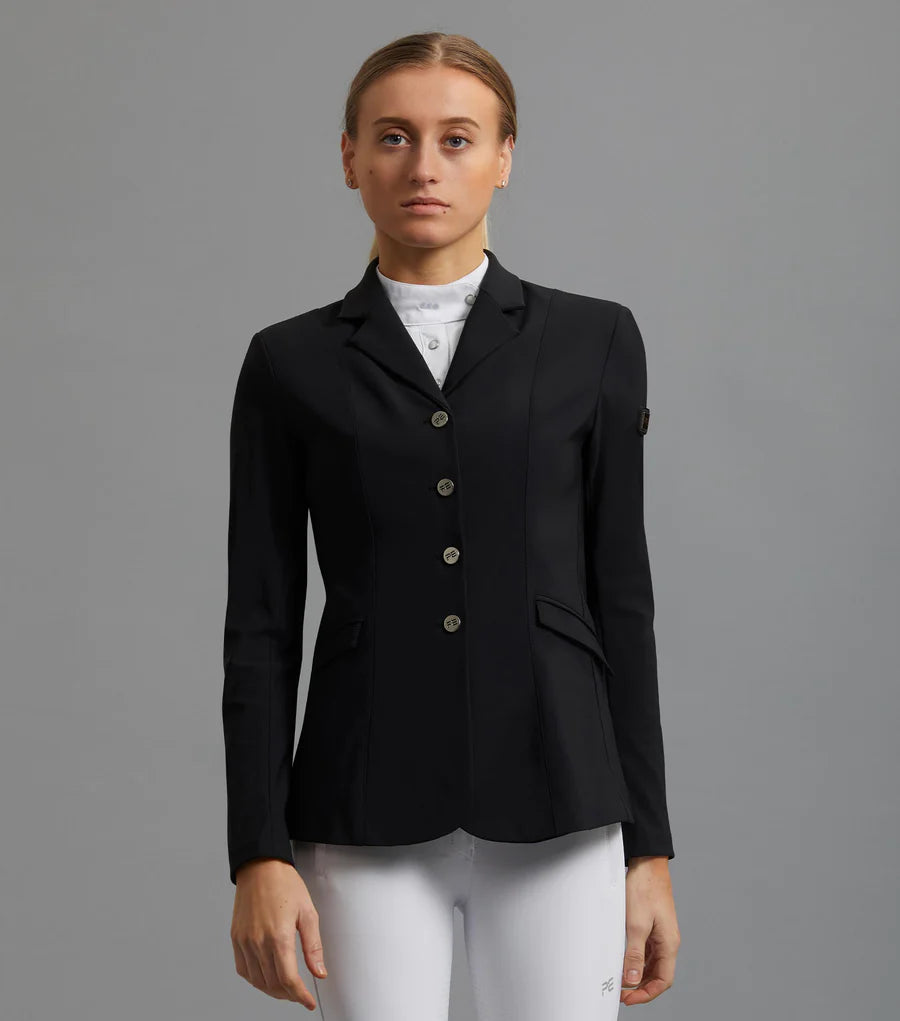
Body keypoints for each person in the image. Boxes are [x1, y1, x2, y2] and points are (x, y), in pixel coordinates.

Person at [223, 31, 680, 1019]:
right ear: (350, 158)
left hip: (563, 802)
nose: (424, 166)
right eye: (393, 136)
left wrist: (649, 847)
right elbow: (259, 624)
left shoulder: (594, 340)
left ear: (504, 156)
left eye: (457, 138)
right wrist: (257, 850)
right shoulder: (289, 362)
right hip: (360, 808)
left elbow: (622, 601)